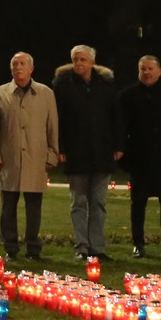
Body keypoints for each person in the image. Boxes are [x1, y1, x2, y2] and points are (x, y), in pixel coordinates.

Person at [0, 52, 59, 261]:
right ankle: (11, 248)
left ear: (31, 69)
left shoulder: (46, 93)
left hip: (36, 157)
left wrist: (52, 154)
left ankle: (33, 248)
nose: (18, 67)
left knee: (34, 206)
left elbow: (52, 126)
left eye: (22, 64)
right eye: (14, 64)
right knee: (8, 206)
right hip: (8, 159)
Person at [52, 44, 120, 261]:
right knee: (78, 203)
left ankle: (97, 247)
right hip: (76, 153)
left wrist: (118, 146)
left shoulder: (107, 86)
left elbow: (116, 118)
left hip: (102, 153)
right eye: (75, 60)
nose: (79, 64)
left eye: (83, 60)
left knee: (99, 203)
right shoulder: (63, 87)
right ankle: (82, 246)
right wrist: (61, 148)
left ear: (92, 62)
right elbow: (58, 121)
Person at [118, 55, 161, 258]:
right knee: (138, 203)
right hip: (139, 159)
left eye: (150, 69)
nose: (146, 72)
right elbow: (122, 128)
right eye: (143, 69)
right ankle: (138, 244)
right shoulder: (127, 96)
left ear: (159, 71)